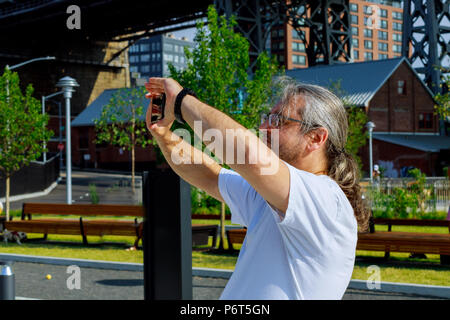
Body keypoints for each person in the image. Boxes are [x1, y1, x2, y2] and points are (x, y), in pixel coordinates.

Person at [145, 76, 370, 300]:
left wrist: (182, 100)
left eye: (278, 120)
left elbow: (251, 158)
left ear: (316, 138)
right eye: (266, 118)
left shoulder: (326, 199)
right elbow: (210, 176)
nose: (262, 127)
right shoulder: (272, 196)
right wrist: (164, 134)